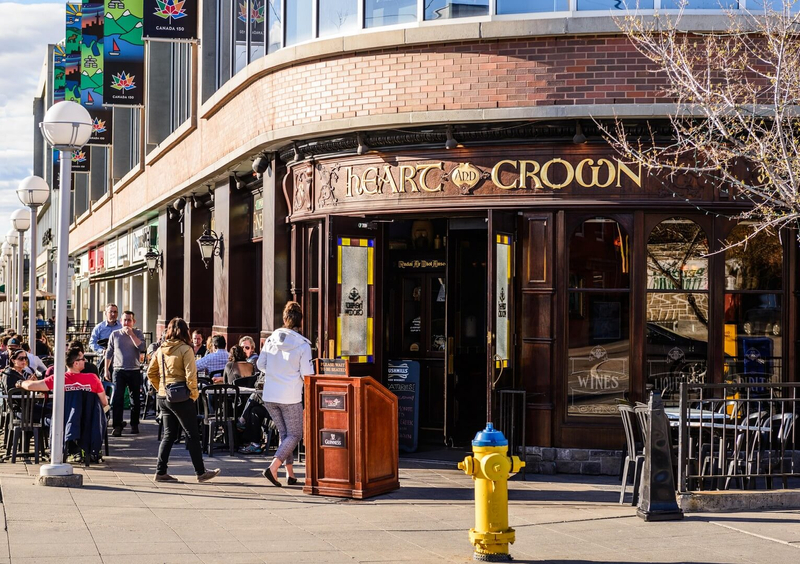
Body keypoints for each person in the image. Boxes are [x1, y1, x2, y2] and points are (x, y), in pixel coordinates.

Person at [147, 317, 220, 483]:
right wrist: (193, 394)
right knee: (192, 435)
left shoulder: (161, 349)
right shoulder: (186, 349)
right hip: (181, 396)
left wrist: (161, 387)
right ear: (185, 332)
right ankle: (200, 472)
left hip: (163, 396)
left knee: (169, 435)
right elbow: (190, 375)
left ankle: (160, 471)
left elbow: (151, 372)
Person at [257, 302, 314, 487]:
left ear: (284, 319)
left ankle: (290, 474)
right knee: (295, 435)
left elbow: (260, 365)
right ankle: (274, 467)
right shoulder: (303, 345)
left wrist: (275, 372)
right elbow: (307, 375)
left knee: (285, 434)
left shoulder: (272, 339)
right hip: (290, 395)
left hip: (270, 394)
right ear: (301, 321)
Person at [18, 348, 109, 412]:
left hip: (64, 422)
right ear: (76, 363)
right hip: (89, 423)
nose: (85, 360)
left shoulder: (58, 379)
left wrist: (21, 383)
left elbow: (31, 386)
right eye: (83, 359)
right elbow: (104, 402)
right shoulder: (93, 378)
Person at [106, 311, 147, 437]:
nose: (126, 323)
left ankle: (134, 424)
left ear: (133, 322)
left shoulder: (138, 333)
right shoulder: (115, 334)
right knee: (117, 398)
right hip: (119, 370)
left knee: (135, 398)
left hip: (134, 369)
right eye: (124, 320)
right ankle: (117, 425)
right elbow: (109, 352)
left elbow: (142, 348)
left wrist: (132, 335)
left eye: (129, 320)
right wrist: (107, 369)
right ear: (121, 321)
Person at [88, 304, 121, 378]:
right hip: (104, 359)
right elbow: (92, 343)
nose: (113, 314)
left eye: (115, 312)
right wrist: (101, 351)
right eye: (111, 312)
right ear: (106, 313)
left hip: (120, 360)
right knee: (104, 381)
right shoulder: (99, 327)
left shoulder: (122, 326)